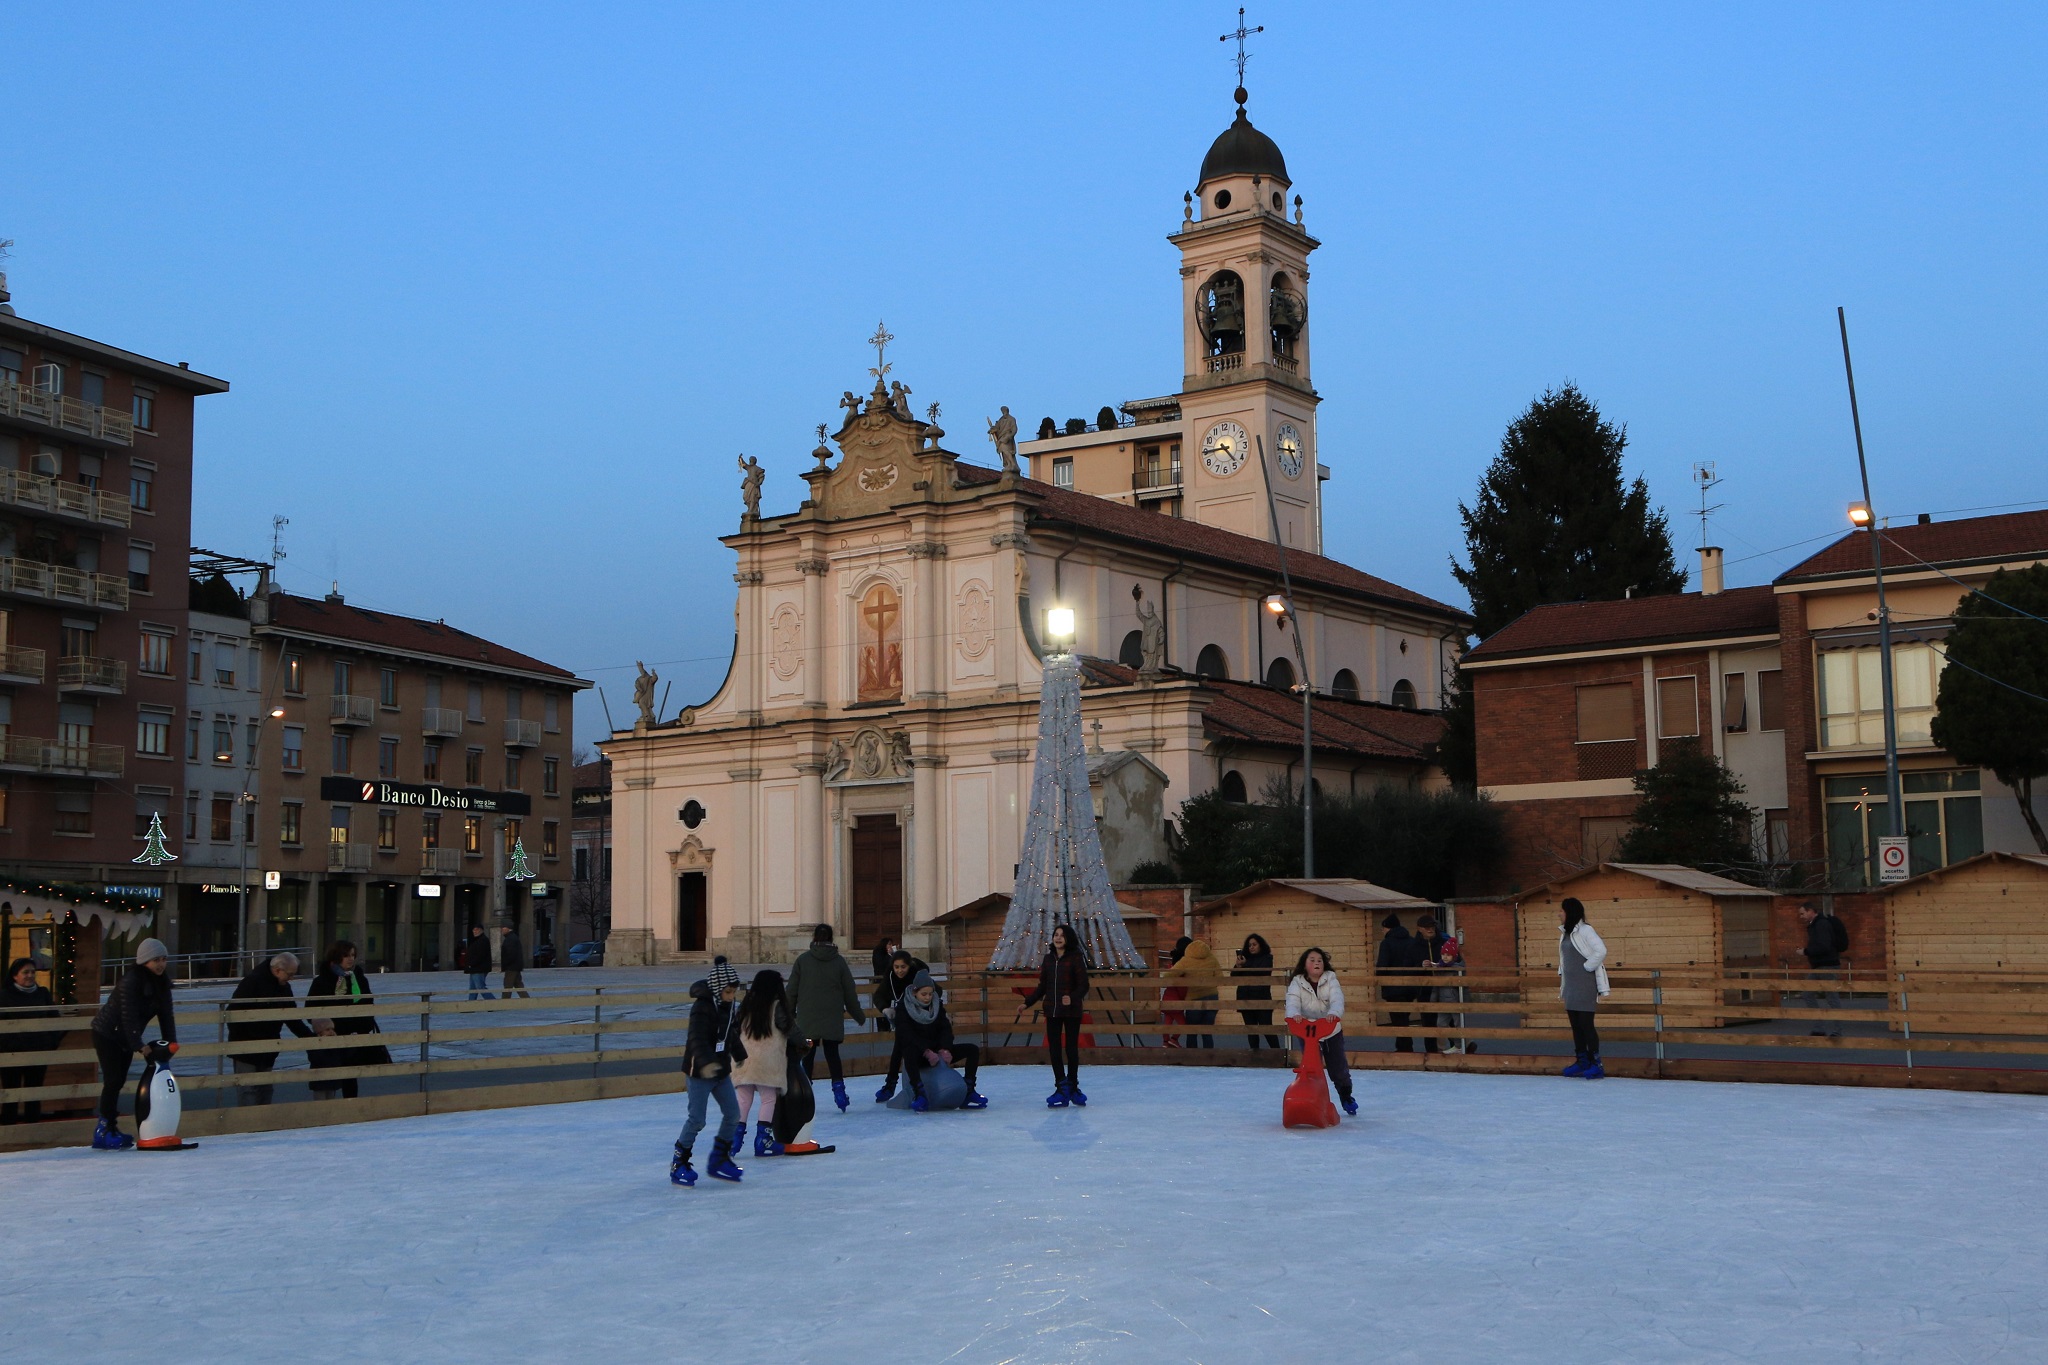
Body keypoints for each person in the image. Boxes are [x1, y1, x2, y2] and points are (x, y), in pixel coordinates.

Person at [89, 938, 177, 1149]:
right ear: (144, 960)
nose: (161, 964)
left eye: (163, 959)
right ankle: (103, 1130)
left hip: (126, 1037)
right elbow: (128, 1016)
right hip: (107, 1034)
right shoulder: (130, 982)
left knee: (118, 1081)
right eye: (156, 959)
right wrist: (139, 1044)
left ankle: (110, 1126)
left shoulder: (162, 983)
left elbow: (167, 1015)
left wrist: (172, 1042)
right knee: (113, 1081)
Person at [673, 957, 747, 1186]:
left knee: (733, 1114)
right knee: (697, 1120)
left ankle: (719, 1159)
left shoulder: (726, 1005)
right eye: (728, 992)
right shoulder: (702, 1008)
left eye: (734, 992)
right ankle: (679, 1163)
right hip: (699, 1073)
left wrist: (740, 1054)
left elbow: (730, 1032)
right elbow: (696, 1039)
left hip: (721, 1071)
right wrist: (705, 1063)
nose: (731, 996)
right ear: (717, 990)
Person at [788, 923, 865, 1113]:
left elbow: (791, 991)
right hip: (831, 1017)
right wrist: (858, 1015)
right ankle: (839, 1092)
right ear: (831, 939)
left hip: (808, 1017)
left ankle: (803, 1094)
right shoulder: (838, 961)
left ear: (814, 938)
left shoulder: (802, 960)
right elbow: (849, 991)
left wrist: (788, 1014)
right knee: (832, 1055)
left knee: (807, 1055)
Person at [307, 941, 392, 1101]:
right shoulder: (322, 980)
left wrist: (362, 1028)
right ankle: (325, 1110)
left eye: (353, 955)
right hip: (330, 1037)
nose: (350, 959)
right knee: (327, 1078)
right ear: (336, 956)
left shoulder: (359, 978)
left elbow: (368, 1005)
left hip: (354, 1036)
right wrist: (325, 1028)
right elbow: (310, 1010)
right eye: (346, 955)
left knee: (350, 1077)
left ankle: (350, 1107)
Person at [226, 953, 314, 1106]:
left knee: (265, 1088)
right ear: (278, 970)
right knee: (248, 1089)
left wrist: (310, 1037)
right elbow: (233, 1014)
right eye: (290, 974)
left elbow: (292, 1019)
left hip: (268, 1048)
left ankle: (264, 1125)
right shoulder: (252, 982)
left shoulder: (284, 988)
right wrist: (246, 1040)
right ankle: (249, 1125)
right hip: (245, 1047)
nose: (291, 978)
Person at [730, 969, 802, 1158]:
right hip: (766, 1061)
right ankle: (763, 1140)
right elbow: (789, 1028)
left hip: (743, 1058)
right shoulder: (777, 1006)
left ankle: (733, 1140)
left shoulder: (746, 1004)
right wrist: (804, 1041)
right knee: (768, 1098)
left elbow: (735, 1027)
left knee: (743, 1099)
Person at [894, 971, 986, 1111]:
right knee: (909, 1054)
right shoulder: (904, 1008)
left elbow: (945, 1029)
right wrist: (925, 1051)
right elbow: (906, 1034)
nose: (927, 998)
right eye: (924, 994)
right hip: (920, 1053)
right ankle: (920, 1094)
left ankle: (968, 1090)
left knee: (972, 1049)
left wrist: (945, 1048)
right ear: (915, 992)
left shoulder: (937, 1006)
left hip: (938, 1051)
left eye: (930, 994)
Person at [1021, 924, 1091, 1107]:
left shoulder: (1076, 958)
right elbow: (1042, 986)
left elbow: (1084, 985)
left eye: (1062, 935)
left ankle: (1073, 1086)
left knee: (1071, 1049)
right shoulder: (1048, 959)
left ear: (1068, 939)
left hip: (1071, 1011)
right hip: (1052, 1010)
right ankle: (1061, 1086)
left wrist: (1073, 997)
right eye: (1056, 935)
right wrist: (1027, 1002)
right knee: (1054, 1049)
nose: (1058, 938)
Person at [1285, 947, 1357, 1117]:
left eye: (1320, 960)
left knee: (1338, 1067)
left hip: (1329, 1029)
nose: (1316, 963)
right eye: (1312, 960)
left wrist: (1334, 1013)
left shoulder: (1331, 979)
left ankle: (1346, 1096)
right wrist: (1294, 1015)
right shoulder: (1297, 982)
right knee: (1310, 1067)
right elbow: (1292, 1001)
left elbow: (1337, 999)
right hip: (1307, 1031)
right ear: (1304, 965)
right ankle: (1311, 1098)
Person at [1, 958, 59, 1123]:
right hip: (12, 1054)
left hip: (38, 1052)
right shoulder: (4, 995)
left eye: (33, 972)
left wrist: (50, 1043)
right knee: (11, 1092)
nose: (30, 975)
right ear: (15, 976)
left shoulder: (42, 993)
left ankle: (33, 1128)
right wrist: (6, 1045)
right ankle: (8, 1127)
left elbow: (56, 1020)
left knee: (34, 1092)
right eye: (25, 972)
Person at [1558, 898, 1611, 1078]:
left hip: (1585, 984)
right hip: (1571, 986)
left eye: (1562, 911)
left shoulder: (1586, 931)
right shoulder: (1565, 933)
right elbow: (1565, 956)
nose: (1559, 914)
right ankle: (1582, 1061)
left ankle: (1596, 1064)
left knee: (1586, 1024)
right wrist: (1562, 972)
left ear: (1570, 912)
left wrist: (1587, 967)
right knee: (1576, 1026)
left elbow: (1601, 951)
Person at [872, 948, 930, 1102]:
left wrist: (927, 1008)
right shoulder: (890, 977)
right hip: (902, 1017)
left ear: (909, 966)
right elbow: (878, 995)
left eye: (903, 967)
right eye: (896, 967)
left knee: (904, 1050)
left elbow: (933, 991)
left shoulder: (917, 976)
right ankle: (895, 1086)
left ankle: (895, 1085)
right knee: (899, 1050)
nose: (899, 971)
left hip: (919, 1018)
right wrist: (885, 1008)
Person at [1375, 914, 1428, 1053]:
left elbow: (1382, 965)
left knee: (1399, 1020)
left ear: (1388, 928)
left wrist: (1379, 978)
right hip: (1411, 987)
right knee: (1404, 1018)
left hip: (1393, 988)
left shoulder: (1386, 943)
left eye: (1383, 928)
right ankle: (1403, 1047)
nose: (1382, 931)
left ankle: (1405, 1049)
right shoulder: (1411, 941)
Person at [1797, 901, 1848, 1038]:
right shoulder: (1814, 925)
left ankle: (1838, 1031)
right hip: (1819, 966)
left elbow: (1824, 946)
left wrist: (1806, 951)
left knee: (1832, 997)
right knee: (1807, 994)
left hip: (1828, 965)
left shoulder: (1821, 924)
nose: (1801, 916)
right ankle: (1819, 1028)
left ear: (1810, 911)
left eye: (1802, 913)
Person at [1164, 937, 1221, 1048]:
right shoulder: (1212, 958)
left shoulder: (1186, 960)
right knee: (1207, 1032)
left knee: (1192, 1032)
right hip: (1212, 997)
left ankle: (1193, 1059)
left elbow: (1168, 976)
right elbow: (1220, 978)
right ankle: (1209, 1059)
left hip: (1194, 997)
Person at [1233, 933, 1279, 1051]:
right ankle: (1254, 1054)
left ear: (1260, 945)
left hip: (1261, 998)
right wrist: (1238, 966)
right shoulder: (1244, 959)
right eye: (1249, 945)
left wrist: (1245, 965)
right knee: (1251, 1030)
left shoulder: (1267, 958)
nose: (1251, 947)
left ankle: (1277, 1052)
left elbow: (1262, 972)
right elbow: (1233, 977)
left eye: (1254, 944)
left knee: (1267, 1028)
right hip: (1245, 997)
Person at [1412, 915, 1448, 1055]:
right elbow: (1406, 966)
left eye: (1432, 926)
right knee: (1428, 1021)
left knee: (1450, 1020)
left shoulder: (1444, 943)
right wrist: (1420, 965)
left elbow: (1457, 961)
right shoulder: (1413, 946)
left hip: (1445, 988)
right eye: (1427, 927)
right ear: (1419, 929)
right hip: (1425, 990)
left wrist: (1445, 964)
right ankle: (1432, 1052)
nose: (1430, 929)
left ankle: (1459, 1048)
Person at [1159, 936, 1190, 1048]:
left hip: (1167, 998)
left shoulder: (1174, 964)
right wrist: (1184, 999)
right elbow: (1182, 988)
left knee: (1167, 1022)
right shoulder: (1183, 966)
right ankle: (1174, 1039)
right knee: (1183, 1024)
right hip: (1176, 1001)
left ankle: (1166, 1042)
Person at [869, 935, 900, 1033]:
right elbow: (885, 964)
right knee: (881, 1005)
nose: (891, 946)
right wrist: (891, 955)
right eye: (889, 944)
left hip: (887, 983)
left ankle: (886, 1025)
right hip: (880, 982)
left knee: (888, 1004)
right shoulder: (879, 953)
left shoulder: (886, 954)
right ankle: (882, 1027)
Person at [462, 924, 494, 1001]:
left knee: (480, 987)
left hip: (479, 968)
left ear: (482, 930)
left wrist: (471, 964)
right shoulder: (477, 940)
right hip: (475, 968)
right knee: (473, 988)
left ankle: (494, 1003)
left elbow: (480, 955)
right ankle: (471, 1005)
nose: (475, 931)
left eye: (477, 929)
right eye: (474, 930)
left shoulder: (483, 940)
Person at [498, 924, 529, 1000]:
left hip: (511, 967)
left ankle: (504, 1003)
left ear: (509, 929)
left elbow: (510, 954)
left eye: (503, 927)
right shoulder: (512, 937)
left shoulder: (510, 939)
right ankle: (527, 1000)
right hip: (515, 966)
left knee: (507, 985)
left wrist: (505, 965)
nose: (501, 929)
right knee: (518, 984)